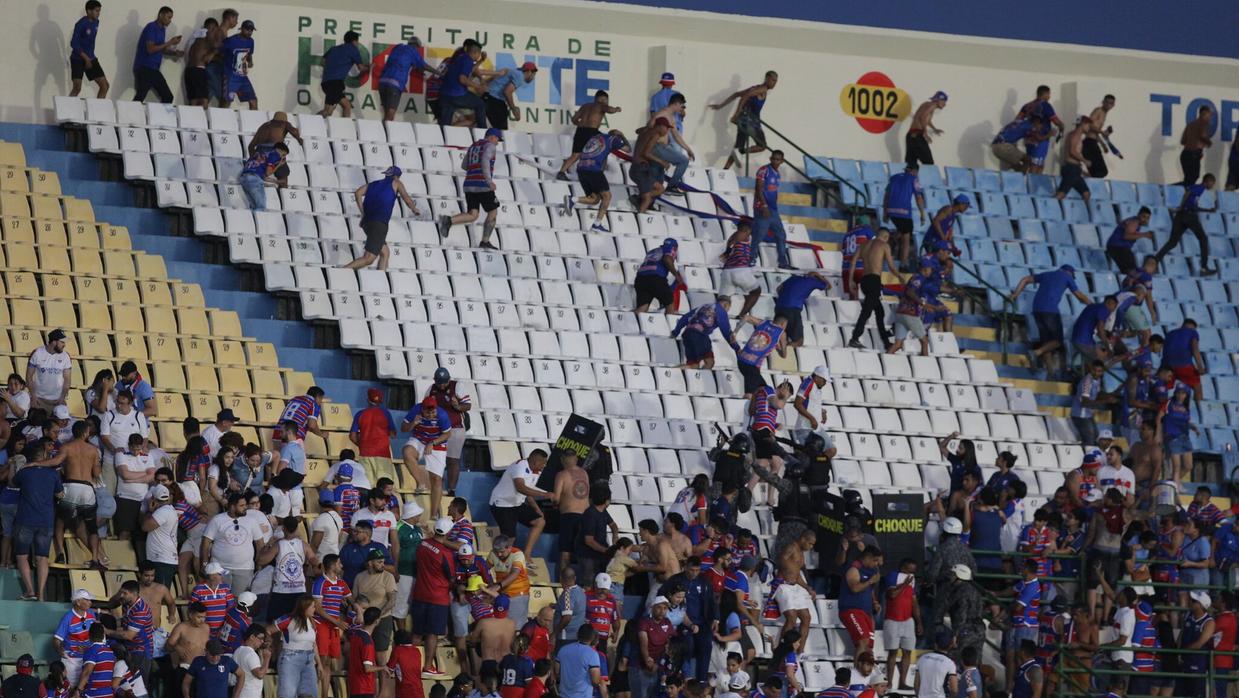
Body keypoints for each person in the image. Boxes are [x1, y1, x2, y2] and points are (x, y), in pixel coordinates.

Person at [1010, 265, 1091, 377]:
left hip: (1037, 309)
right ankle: (1035, 353)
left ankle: (1050, 373)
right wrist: (1092, 306)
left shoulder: (1047, 274)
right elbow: (1080, 296)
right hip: (1050, 311)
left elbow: (1025, 279)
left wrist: (1015, 294)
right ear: (1070, 273)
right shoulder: (1067, 277)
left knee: (1047, 342)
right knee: (1057, 341)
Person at [437, 128, 505, 248]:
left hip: (469, 184)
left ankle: (448, 221)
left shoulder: (474, 146)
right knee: (493, 211)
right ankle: (485, 241)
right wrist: (489, 181)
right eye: (497, 139)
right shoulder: (490, 146)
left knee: (473, 214)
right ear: (492, 137)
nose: (497, 143)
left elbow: (464, 165)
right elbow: (485, 162)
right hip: (483, 185)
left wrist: (474, 171)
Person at [345, 166, 420, 271]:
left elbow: (358, 193)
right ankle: (341, 271)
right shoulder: (396, 183)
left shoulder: (374, 184)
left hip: (367, 222)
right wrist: (414, 208)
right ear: (396, 177)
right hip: (379, 223)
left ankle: (381, 279)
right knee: (369, 258)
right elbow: (406, 198)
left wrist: (363, 213)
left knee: (385, 253)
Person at [13, 445, 62, 600]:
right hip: (46, 520)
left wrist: (15, 465)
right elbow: (60, 494)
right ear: (44, 456)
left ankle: (29, 591)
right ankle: (41, 594)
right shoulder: (53, 473)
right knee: (42, 558)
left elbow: (12, 483)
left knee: (22, 556)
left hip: (25, 519)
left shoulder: (24, 472)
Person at [411, 517, 456, 678]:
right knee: (432, 634)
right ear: (448, 532)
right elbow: (451, 577)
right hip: (438, 598)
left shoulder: (422, 544)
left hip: (419, 594)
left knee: (416, 633)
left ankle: (408, 665)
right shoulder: (446, 553)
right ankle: (428, 666)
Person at [562, 129, 628, 232]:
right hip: (593, 169)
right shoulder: (613, 139)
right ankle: (597, 224)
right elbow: (628, 149)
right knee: (607, 196)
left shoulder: (596, 138)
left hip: (581, 169)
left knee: (595, 199)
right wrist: (622, 136)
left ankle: (573, 200)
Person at [710, 71, 778, 170]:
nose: (774, 83)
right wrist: (736, 114)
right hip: (751, 122)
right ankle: (741, 151)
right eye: (772, 80)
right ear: (766, 78)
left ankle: (725, 169)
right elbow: (746, 96)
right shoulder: (761, 89)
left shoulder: (756, 87)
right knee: (762, 146)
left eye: (776, 81)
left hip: (744, 121)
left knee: (738, 145)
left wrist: (720, 106)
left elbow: (737, 94)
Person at [848, 228, 901, 350]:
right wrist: (900, 277)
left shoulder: (863, 245)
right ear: (886, 237)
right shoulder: (884, 245)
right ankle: (854, 338)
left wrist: (850, 280)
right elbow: (891, 266)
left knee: (879, 312)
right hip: (874, 280)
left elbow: (853, 262)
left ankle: (886, 343)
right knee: (866, 311)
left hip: (864, 281)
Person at [1157, 173, 1218, 276]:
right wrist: (1180, 207)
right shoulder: (1200, 188)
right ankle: (1204, 268)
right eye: (1212, 183)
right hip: (1188, 216)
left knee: (1172, 242)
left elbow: (1193, 205)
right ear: (1208, 181)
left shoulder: (1197, 188)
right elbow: (1187, 194)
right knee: (1203, 239)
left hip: (1181, 216)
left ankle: (1155, 260)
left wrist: (1207, 210)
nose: (1212, 186)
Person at [558, 90, 624, 180]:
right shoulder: (601, 105)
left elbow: (574, 119)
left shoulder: (585, 106)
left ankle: (561, 172)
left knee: (575, 155)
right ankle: (599, 174)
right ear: (603, 99)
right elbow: (610, 110)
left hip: (580, 131)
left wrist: (583, 125)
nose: (606, 102)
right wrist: (616, 109)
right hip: (592, 132)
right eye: (606, 100)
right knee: (604, 150)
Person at [437, 39, 502, 126]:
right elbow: (462, 79)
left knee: (445, 126)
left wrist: (481, 60)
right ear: (476, 53)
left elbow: (470, 70)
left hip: (444, 95)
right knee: (480, 105)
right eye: (479, 54)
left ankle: (442, 137)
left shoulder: (460, 58)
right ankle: (482, 132)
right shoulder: (468, 60)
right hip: (456, 95)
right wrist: (477, 86)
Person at [888, 260, 945, 357]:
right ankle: (926, 366)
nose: (931, 272)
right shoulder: (919, 278)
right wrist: (925, 304)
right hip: (910, 314)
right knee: (924, 341)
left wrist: (929, 306)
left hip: (900, 312)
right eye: (930, 269)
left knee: (898, 344)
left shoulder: (915, 277)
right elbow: (910, 292)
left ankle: (884, 360)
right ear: (925, 269)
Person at [839, 547, 883, 662]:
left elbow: (870, 590)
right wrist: (870, 581)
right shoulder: (854, 568)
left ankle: (865, 675)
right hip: (851, 609)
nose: (877, 564)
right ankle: (857, 674)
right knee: (862, 641)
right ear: (867, 558)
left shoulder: (871, 571)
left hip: (866, 611)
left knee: (869, 646)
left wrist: (874, 602)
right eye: (875, 560)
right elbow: (854, 588)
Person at [132, 6, 182, 103]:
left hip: (154, 69)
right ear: (161, 15)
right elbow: (150, 49)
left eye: (171, 18)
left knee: (168, 96)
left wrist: (174, 53)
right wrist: (170, 42)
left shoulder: (162, 29)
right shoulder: (151, 27)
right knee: (140, 97)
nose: (170, 21)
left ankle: (160, 117)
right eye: (168, 17)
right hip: (144, 67)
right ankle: (129, 117)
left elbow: (160, 48)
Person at [751, 150, 791, 269]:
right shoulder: (764, 170)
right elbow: (758, 189)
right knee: (759, 235)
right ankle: (751, 259)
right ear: (770, 158)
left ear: (782, 161)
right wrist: (764, 206)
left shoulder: (777, 173)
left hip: (773, 209)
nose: (775, 161)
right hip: (763, 208)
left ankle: (783, 262)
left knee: (781, 235)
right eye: (773, 158)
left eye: (778, 159)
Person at [376, 36, 429, 121]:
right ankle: (386, 133)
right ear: (416, 46)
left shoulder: (398, 47)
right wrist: (438, 73)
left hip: (382, 82)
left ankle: (383, 132)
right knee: (390, 114)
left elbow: (404, 62)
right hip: (394, 84)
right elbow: (424, 66)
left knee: (386, 114)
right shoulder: (413, 50)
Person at [883, 165, 926, 269]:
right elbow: (918, 197)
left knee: (902, 231)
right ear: (914, 171)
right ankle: (903, 264)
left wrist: (885, 212)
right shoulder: (913, 179)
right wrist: (922, 213)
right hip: (904, 212)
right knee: (906, 238)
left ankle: (893, 238)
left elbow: (886, 195)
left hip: (892, 211)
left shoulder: (893, 178)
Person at [648, 93, 693, 191]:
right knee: (683, 161)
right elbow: (648, 128)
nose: (682, 109)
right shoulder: (662, 114)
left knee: (657, 184)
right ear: (676, 103)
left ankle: (647, 203)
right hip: (657, 147)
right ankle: (672, 186)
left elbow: (676, 136)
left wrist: (688, 149)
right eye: (682, 106)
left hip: (658, 149)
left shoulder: (669, 116)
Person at [319, 30, 369, 117]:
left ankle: (313, 122)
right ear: (354, 41)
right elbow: (361, 68)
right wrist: (370, 67)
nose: (358, 43)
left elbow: (322, 62)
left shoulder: (334, 49)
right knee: (330, 111)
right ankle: (310, 122)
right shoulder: (353, 49)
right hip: (335, 83)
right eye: (357, 41)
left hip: (326, 82)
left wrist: (332, 68)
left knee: (343, 106)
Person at [246, 113, 304, 188]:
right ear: (284, 121)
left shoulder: (264, 126)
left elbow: (251, 146)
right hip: (274, 150)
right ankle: (283, 194)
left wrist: (255, 159)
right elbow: (294, 132)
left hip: (260, 152)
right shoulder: (284, 124)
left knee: (261, 176)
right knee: (283, 178)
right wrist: (299, 140)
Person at [1017, 86, 1064, 175]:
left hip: (1028, 139)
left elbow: (1017, 120)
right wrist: (1062, 126)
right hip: (1041, 138)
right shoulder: (1045, 105)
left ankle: (1030, 184)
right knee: (1037, 164)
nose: (1049, 97)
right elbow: (1055, 120)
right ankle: (1033, 185)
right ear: (1045, 93)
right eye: (1049, 94)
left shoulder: (1027, 105)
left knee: (1032, 163)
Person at [1163, 319, 1206, 415]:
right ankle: (1198, 414)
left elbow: (1165, 351)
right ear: (1193, 327)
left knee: (1165, 388)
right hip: (1184, 365)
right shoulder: (1192, 333)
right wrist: (1200, 367)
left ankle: (1163, 409)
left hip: (1169, 366)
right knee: (1197, 388)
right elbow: (1195, 349)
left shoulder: (1170, 333)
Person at [633, 237, 685, 314]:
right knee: (670, 303)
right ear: (674, 247)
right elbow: (667, 259)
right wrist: (676, 275)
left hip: (640, 279)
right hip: (655, 278)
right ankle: (670, 325)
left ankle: (631, 322)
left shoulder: (652, 251)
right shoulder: (668, 249)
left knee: (642, 308)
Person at [69, 1, 109, 98]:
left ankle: (98, 110)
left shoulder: (96, 22)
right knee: (77, 88)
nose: (98, 13)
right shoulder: (81, 24)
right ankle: (66, 111)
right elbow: (73, 43)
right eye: (96, 11)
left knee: (105, 86)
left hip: (91, 58)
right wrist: (86, 58)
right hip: (77, 59)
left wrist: (89, 58)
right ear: (88, 11)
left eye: (99, 11)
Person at [26, 329, 71, 412]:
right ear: (54, 342)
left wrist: (62, 397)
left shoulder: (65, 356)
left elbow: (67, 380)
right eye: (62, 342)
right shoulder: (37, 353)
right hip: (39, 400)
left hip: (58, 400)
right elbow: (29, 377)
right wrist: (33, 396)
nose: (64, 345)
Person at [484, 61, 537, 130]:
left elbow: (495, 80)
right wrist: (514, 110)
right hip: (494, 99)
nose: (533, 78)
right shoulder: (520, 76)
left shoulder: (514, 72)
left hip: (488, 96)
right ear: (529, 72)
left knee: (496, 128)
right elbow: (507, 92)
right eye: (534, 74)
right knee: (502, 131)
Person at [237, 142, 288, 212]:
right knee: (261, 207)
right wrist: (279, 164)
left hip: (244, 177)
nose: (283, 157)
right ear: (280, 150)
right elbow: (268, 173)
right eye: (283, 154)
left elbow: (263, 177)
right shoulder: (275, 155)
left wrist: (277, 181)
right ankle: (259, 222)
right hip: (254, 178)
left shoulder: (260, 153)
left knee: (253, 207)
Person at [557, 624, 603, 698]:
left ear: (577, 634)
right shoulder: (593, 654)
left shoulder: (563, 649)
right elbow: (595, 681)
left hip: (563, 695)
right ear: (592, 637)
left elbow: (556, 671)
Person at [220, 20, 257, 109]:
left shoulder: (251, 41)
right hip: (230, 76)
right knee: (227, 101)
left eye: (251, 30)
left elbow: (249, 54)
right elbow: (219, 53)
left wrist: (250, 61)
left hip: (243, 76)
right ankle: (220, 120)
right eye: (247, 29)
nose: (249, 32)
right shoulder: (231, 41)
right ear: (242, 29)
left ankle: (253, 122)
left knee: (253, 101)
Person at [1105, 207, 1154, 274]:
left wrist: (1143, 234)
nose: (1145, 220)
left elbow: (1131, 233)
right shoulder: (1135, 222)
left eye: (1147, 218)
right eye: (1143, 216)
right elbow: (1126, 236)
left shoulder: (1136, 222)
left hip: (1119, 248)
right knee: (1131, 271)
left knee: (1130, 271)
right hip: (1117, 247)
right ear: (1138, 214)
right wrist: (1144, 235)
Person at [1070, 296, 1118, 364]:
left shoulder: (1094, 306)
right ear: (1110, 303)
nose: (1113, 310)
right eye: (1114, 307)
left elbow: (1099, 332)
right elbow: (1100, 331)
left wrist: (1107, 341)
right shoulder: (1104, 310)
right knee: (1105, 361)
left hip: (1079, 339)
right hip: (1083, 342)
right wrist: (1108, 348)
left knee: (1097, 359)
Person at [1054, 117, 1093, 201]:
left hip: (1075, 169)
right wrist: (1085, 161)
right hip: (1071, 169)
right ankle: (1049, 210)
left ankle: (1084, 213)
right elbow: (1072, 151)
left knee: (1086, 193)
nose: (1089, 128)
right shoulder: (1076, 134)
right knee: (1061, 194)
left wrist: (1083, 171)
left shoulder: (1072, 134)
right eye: (1088, 125)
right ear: (1083, 124)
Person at [905, 91, 947, 168]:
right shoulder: (932, 105)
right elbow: (922, 117)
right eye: (944, 101)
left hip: (910, 136)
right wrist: (925, 133)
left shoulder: (926, 104)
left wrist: (934, 129)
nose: (945, 104)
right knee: (929, 164)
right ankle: (925, 179)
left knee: (911, 164)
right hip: (917, 135)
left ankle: (910, 179)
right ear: (938, 100)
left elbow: (926, 120)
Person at [913, 631, 958, 698]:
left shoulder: (922, 658)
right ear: (950, 645)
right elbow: (954, 689)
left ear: (935, 644)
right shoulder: (949, 663)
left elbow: (916, 684)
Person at [1177, 104, 1213, 186]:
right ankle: (1171, 188)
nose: (1210, 118)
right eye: (1209, 115)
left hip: (1185, 154)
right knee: (1192, 178)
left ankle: (1176, 191)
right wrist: (1208, 142)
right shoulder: (1203, 123)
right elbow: (1203, 135)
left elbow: (1183, 141)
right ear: (1204, 113)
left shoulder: (1190, 125)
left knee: (1188, 179)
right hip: (1194, 154)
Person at [1084, 94, 1117, 178]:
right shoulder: (1098, 110)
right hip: (1088, 143)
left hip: (1093, 142)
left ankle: (1084, 178)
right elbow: (1089, 125)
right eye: (1107, 102)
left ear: (1113, 105)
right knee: (1101, 171)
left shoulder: (1104, 114)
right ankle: (1081, 173)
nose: (1108, 105)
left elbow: (1095, 132)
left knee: (1099, 172)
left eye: (1111, 103)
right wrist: (1102, 132)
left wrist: (1103, 144)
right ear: (1103, 102)